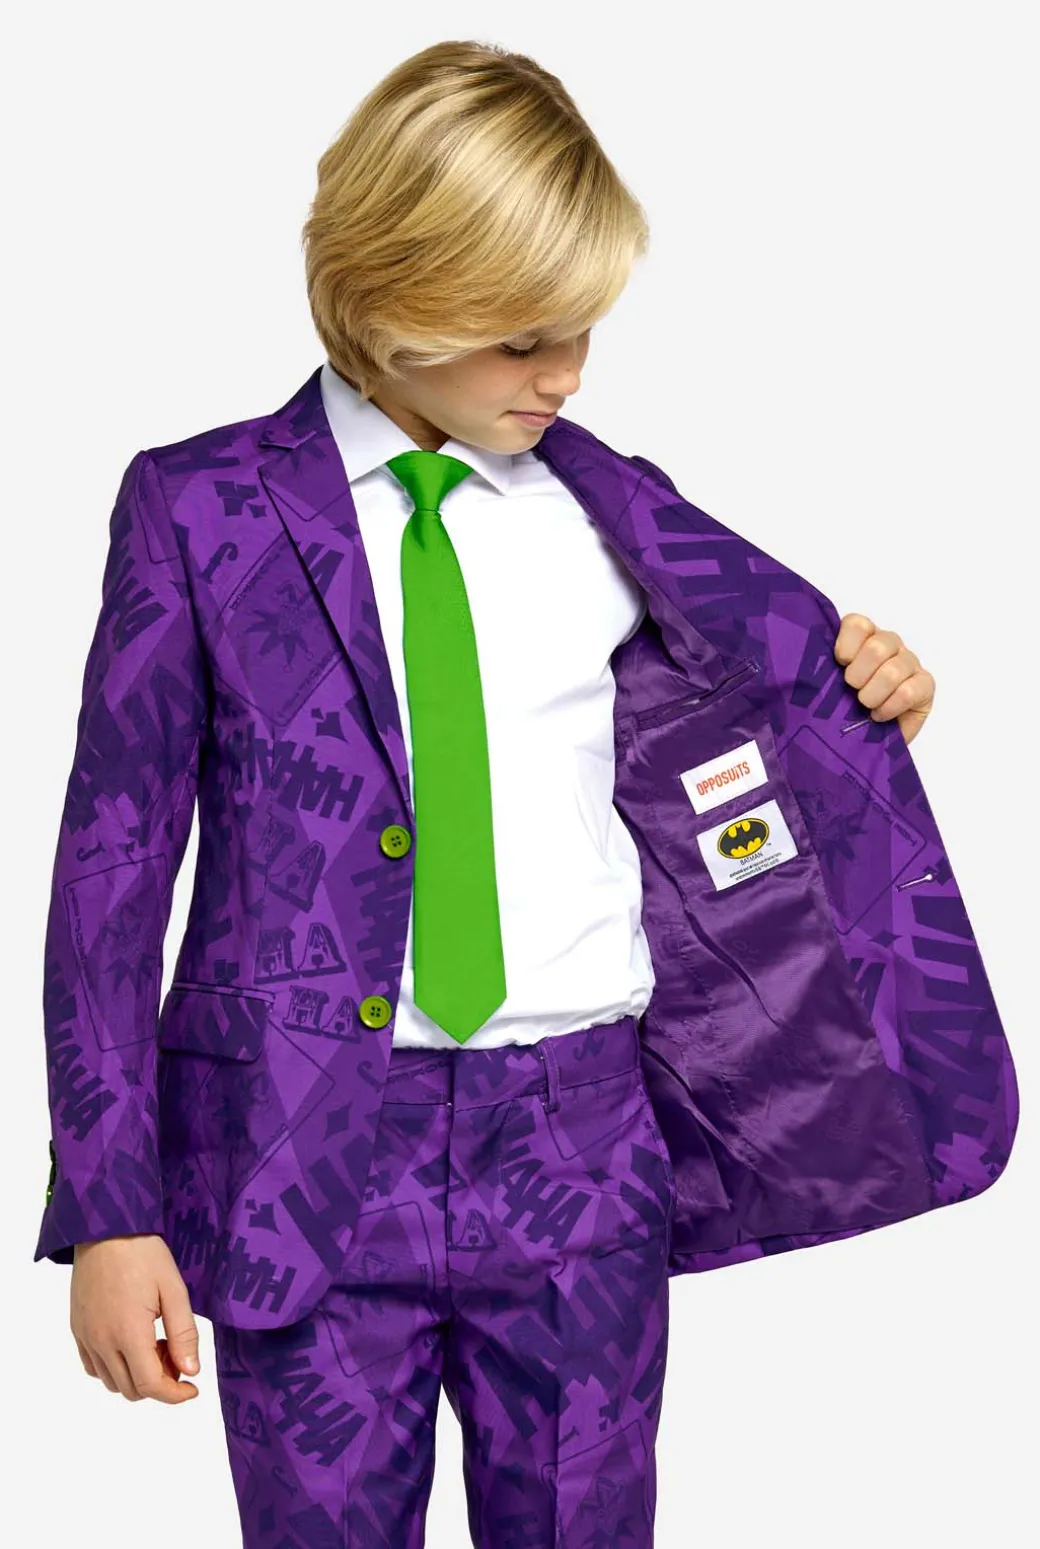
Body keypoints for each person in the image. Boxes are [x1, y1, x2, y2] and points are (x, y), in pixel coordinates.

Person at [35, 38, 1016, 1549]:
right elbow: (110, 873)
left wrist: (884, 691)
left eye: (583, 331)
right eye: (519, 338)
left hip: (579, 1148)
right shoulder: (199, 509)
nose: (563, 373)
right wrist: (112, 1208)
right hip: (303, 1159)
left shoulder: (613, 506)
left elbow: (795, 702)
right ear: (389, 300)